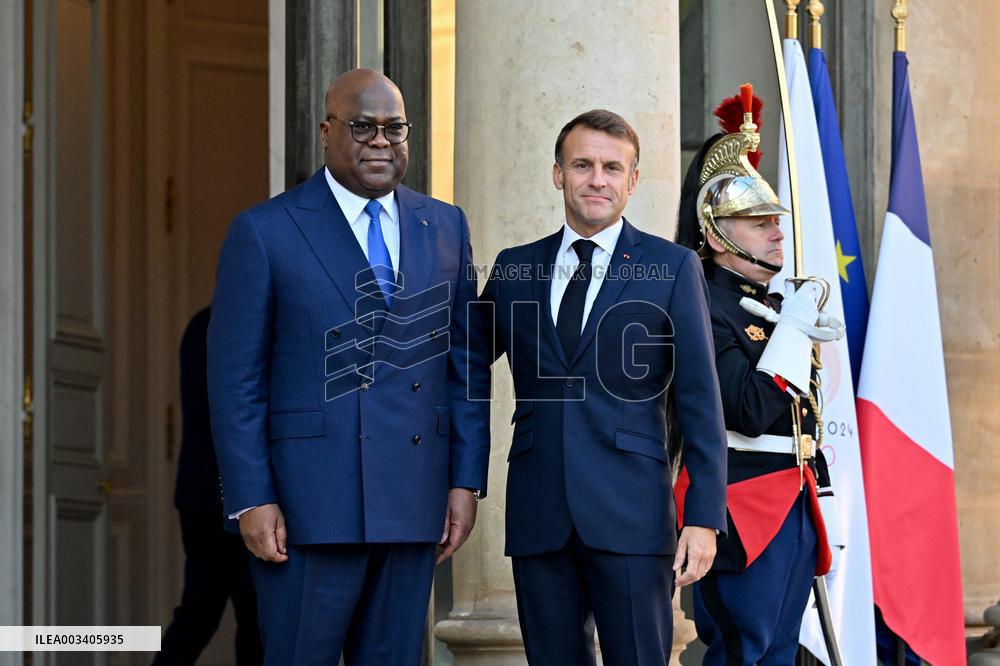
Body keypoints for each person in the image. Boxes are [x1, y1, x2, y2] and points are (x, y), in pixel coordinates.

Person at [207, 68, 489, 665]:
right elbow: (237, 383)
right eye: (362, 127)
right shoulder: (264, 230)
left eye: (395, 128)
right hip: (306, 506)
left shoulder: (444, 225)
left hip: (413, 500)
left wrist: (465, 481)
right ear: (327, 131)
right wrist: (250, 497)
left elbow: (465, 366)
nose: (381, 141)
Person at [473, 109, 728, 665]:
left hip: (633, 513)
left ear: (632, 181)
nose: (597, 179)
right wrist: (460, 482)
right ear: (558, 174)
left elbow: (701, 402)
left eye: (613, 167)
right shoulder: (516, 269)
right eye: (582, 165)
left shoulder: (673, 267)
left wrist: (704, 516)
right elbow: (461, 366)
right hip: (540, 514)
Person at [674, 87, 845, 665]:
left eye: (775, 219)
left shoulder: (770, 307)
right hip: (740, 503)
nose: (777, 232)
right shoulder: (700, 304)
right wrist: (791, 337)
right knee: (742, 651)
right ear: (716, 232)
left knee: (778, 653)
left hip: (795, 497)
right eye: (758, 222)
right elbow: (746, 409)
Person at [154, 307, 262, 666]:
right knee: (253, 618)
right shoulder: (245, 323)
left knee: (198, 612)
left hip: (197, 493)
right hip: (236, 494)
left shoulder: (199, 323)